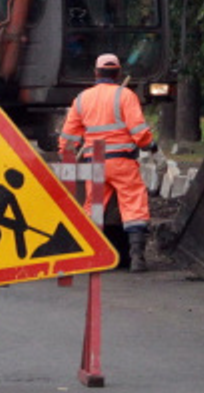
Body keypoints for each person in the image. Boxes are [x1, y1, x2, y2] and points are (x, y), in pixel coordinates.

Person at [59, 52, 156, 271]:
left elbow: (69, 137)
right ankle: (137, 258)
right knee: (134, 206)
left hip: (95, 164)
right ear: (118, 73)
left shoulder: (82, 99)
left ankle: (90, 255)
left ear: (96, 73)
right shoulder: (126, 96)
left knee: (93, 208)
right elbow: (139, 132)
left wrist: (65, 154)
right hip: (122, 162)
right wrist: (150, 144)